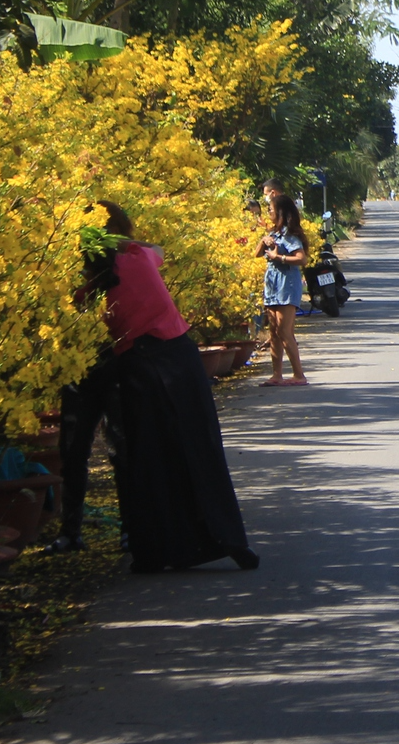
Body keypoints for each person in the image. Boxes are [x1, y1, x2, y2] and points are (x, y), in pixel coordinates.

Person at [59, 202, 258, 571]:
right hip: (178, 357)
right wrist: (121, 240)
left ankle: (158, 551)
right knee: (198, 448)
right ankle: (226, 538)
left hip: (138, 364)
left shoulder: (89, 283)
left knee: (150, 459)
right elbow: (159, 251)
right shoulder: (138, 255)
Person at [256, 195, 309, 385]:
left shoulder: (290, 235)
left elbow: (302, 259)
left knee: (285, 331)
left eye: (271, 209)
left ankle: (298, 375)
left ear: (281, 213)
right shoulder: (274, 234)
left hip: (287, 285)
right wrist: (264, 241)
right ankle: (276, 374)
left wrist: (280, 258)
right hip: (272, 285)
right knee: (274, 332)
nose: (269, 212)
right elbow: (255, 254)